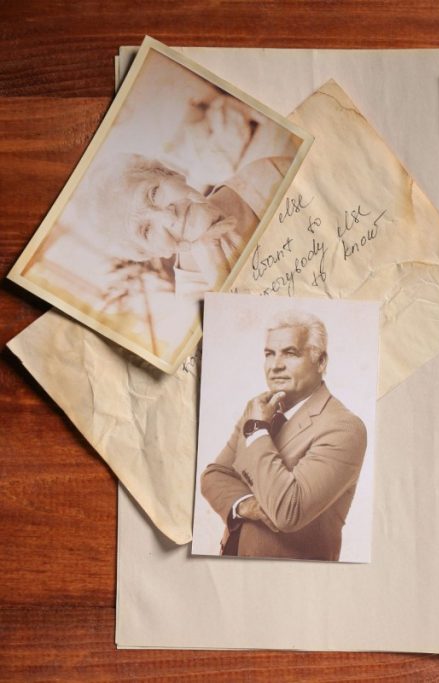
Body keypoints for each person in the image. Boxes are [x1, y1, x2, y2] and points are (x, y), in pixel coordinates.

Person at [200, 310, 367, 561]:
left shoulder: (344, 428)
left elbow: (287, 512)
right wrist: (247, 506)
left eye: (290, 353)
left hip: (290, 583)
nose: (276, 365)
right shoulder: (257, 408)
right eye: (269, 354)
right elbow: (214, 476)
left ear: (321, 361)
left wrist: (257, 430)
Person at [80, 152, 290, 297]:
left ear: (170, 173)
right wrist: (215, 263)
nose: (168, 217)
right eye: (147, 230)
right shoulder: (194, 296)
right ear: (151, 252)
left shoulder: (268, 174)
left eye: (153, 194)